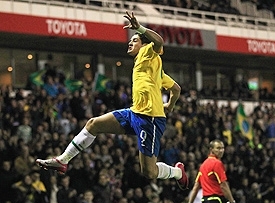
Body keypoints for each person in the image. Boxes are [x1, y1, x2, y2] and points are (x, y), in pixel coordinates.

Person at [36, 11, 188, 190]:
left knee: (149, 172)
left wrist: (139, 28)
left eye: (135, 40)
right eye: (130, 40)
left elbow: (160, 42)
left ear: (144, 44)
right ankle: (63, 160)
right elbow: (176, 88)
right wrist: (170, 105)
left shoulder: (149, 52)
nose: (130, 42)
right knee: (93, 124)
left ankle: (178, 172)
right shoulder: (153, 69)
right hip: (134, 113)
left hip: (150, 120)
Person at [181, 139, 240, 203]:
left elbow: (196, 186)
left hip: (206, 202)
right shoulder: (217, 163)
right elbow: (223, 185)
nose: (221, 150)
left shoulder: (203, 165)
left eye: (222, 148)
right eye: (218, 148)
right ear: (211, 149)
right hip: (217, 200)